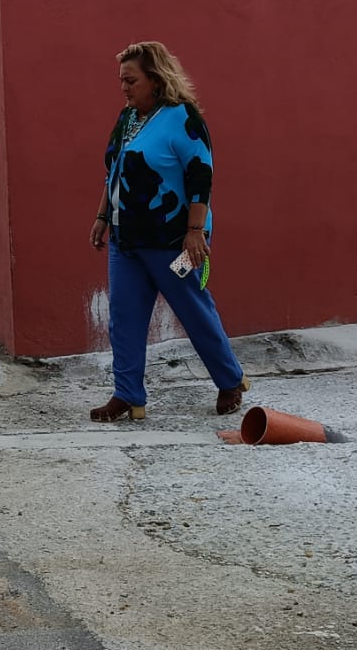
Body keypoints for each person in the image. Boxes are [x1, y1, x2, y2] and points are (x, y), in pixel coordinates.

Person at [88, 40, 247, 422]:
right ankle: (128, 395)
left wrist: (196, 230)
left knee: (193, 310)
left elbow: (201, 176)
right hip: (126, 240)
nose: (124, 88)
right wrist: (102, 216)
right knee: (123, 319)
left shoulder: (182, 117)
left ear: (156, 79)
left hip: (172, 242)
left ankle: (230, 381)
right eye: (121, 81)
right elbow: (114, 173)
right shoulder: (128, 119)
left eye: (131, 80)